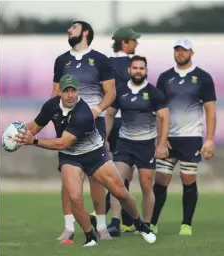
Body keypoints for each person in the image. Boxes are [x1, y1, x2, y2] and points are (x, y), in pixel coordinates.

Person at [15, 74, 157, 247]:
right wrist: (19, 134)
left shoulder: (83, 113)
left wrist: (34, 141)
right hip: (70, 156)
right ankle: (90, 236)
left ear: (78, 91)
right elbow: (35, 127)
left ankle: (140, 224)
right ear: (59, 92)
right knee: (75, 197)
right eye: (66, 90)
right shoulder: (51, 106)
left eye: (73, 90)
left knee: (121, 193)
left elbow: (62, 142)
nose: (70, 95)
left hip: (94, 154)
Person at [52, 21, 116, 242]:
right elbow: (55, 94)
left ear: (85, 32)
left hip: (93, 124)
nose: (68, 30)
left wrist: (97, 109)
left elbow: (110, 93)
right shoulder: (61, 60)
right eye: (68, 28)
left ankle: (101, 227)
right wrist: (56, 121)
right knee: (68, 178)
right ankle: (69, 227)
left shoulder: (100, 60)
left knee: (96, 178)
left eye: (73, 27)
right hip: (67, 125)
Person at [151, 39, 217, 235]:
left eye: (184, 50)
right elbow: (159, 111)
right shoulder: (165, 78)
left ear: (191, 53)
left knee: (187, 179)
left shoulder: (203, 77)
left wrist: (210, 139)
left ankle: (186, 224)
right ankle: (152, 222)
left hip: (191, 137)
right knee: (161, 180)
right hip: (168, 137)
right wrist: (160, 138)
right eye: (177, 50)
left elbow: (210, 110)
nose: (180, 53)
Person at [105, 56, 170, 236]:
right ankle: (115, 224)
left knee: (146, 185)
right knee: (116, 182)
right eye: (135, 68)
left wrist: (162, 143)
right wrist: (105, 138)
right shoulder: (120, 91)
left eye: (142, 68)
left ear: (146, 71)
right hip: (124, 143)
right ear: (129, 70)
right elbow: (110, 114)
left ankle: (146, 226)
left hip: (146, 145)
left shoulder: (154, 93)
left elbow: (165, 117)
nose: (138, 71)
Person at [104, 27, 141, 235]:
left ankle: (121, 219)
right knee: (124, 172)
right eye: (134, 41)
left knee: (117, 171)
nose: (136, 44)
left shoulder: (106, 64)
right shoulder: (133, 66)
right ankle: (117, 219)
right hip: (128, 122)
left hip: (109, 121)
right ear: (124, 43)